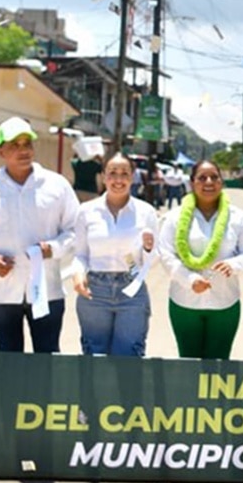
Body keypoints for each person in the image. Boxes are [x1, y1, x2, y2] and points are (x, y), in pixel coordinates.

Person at [0, 117, 80, 353]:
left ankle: (41, 393)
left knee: (46, 358)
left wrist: (53, 248)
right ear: (1, 151)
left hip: (47, 292)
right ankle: (13, 393)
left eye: (27, 144)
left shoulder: (57, 186)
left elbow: (75, 230)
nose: (23, 150)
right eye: (14, 145)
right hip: (1, 294)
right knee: (8, 359)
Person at [157, 160, 243, 359]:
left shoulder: (238, 217)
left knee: (219, 364)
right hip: (184, 303)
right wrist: (189, 279)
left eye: (214, 177)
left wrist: (234, 265)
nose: (209, 182)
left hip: (225, 303)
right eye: (202, 178)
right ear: (192, 182)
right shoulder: (175, 217)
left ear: (222, 182)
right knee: (188, 362)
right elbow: (166, 255)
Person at [71, 153, 158, 357]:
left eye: (124, 174)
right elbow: (81, 254)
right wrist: (78, 274)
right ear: (103, 176)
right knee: (94, 354)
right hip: (95, 291)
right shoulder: (86, 211)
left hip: (132, 290)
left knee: (129, 355)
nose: (118, 180)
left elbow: (153, 258)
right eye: (112, 173)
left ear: (132, 177)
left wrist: (147, 248)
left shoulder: (146, 212)